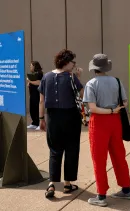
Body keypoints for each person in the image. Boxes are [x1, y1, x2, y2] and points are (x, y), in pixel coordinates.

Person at [83, 54, 130, 207]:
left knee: (99, 158)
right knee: (119, 154)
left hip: (99, 122)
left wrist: (108, 111)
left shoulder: (91, 83)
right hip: (115, 120)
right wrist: (114, 110)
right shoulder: (116, 81)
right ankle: (126, 189)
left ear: (94, 68)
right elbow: (125, 101)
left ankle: (101, 195)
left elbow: (91, 108)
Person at [38, 49, 83, 198]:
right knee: (71, 150)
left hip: (52, 117)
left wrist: (41, 119)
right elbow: (82, 94)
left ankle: (51, 184)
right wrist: (78, 77)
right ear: (66, 62)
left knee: (54, 150)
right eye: (72, 62)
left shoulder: (46, 77)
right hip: (70, 117)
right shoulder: (71, 77)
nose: (74, 64)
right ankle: (67, 184)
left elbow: (41, 100)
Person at [27, 61, 44, 130]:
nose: (30, 67)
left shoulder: (40, 74)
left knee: (37, 108)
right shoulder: (33, 74)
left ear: (35, 66)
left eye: (31, 66)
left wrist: (29, 81)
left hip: (37, 94)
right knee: (32, 109)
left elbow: (39, 83)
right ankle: (34, 123)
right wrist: (29, 84)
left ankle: (40, 124)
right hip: (32, 94)